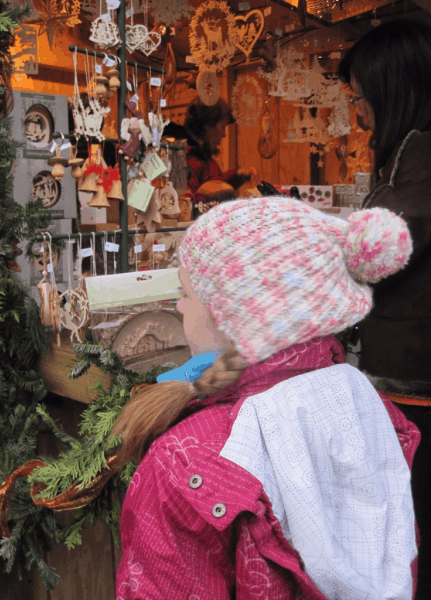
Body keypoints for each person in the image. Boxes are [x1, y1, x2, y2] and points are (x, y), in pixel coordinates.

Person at [112, 196, 420, 600]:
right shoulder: (370, 413)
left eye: (186, 292)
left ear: (232, 312)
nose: (179, 305)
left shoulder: (182, 461)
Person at [338, 19, 431, 600]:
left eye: (360, 98)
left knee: (411, 539)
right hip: (406, 377)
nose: (359, 114)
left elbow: (377, 248)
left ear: (391, 89)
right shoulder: (409, 153)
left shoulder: (421, 157)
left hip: (415, 385)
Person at [183, 98, 255, 206]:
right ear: (206, 126)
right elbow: (189, 201)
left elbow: (215, 187)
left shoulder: (207, 161)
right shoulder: (190, 163)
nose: (224, 134)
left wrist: (236, 177)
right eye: (222, 127)